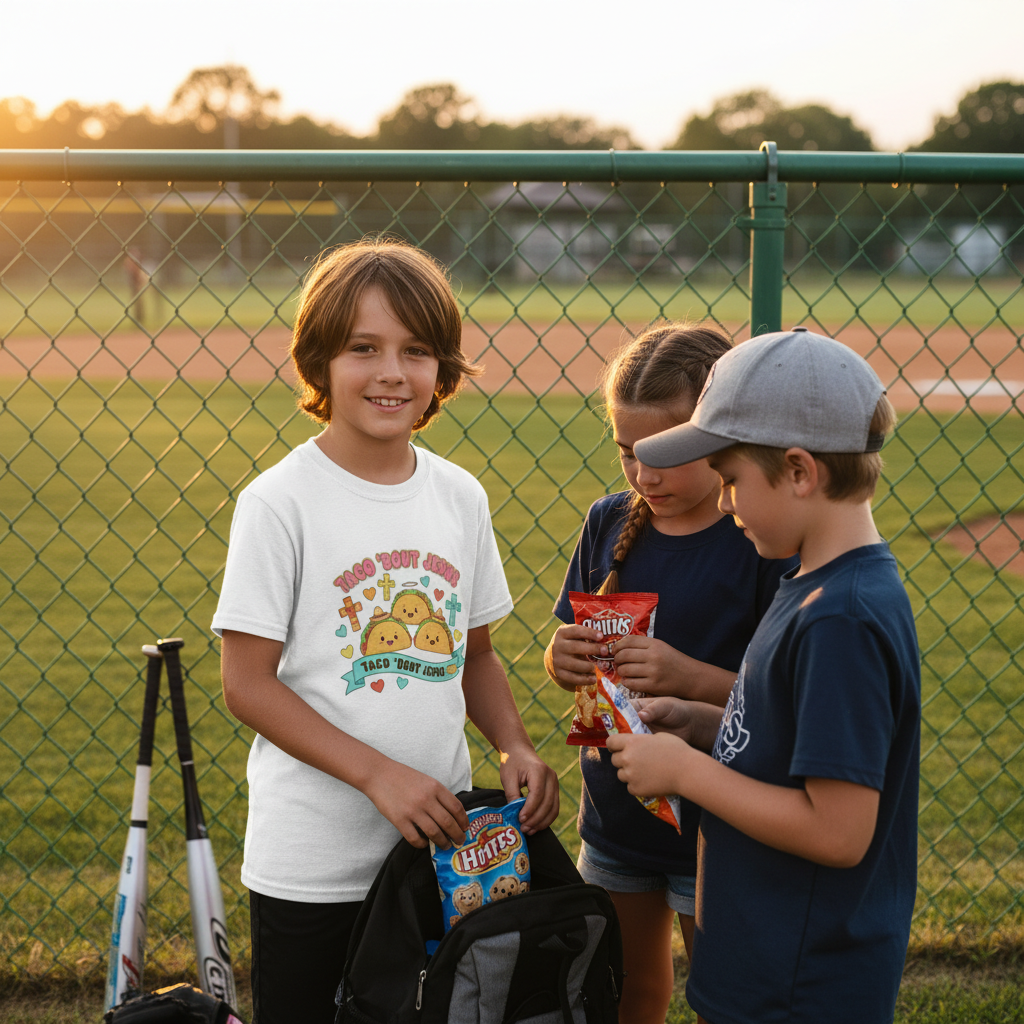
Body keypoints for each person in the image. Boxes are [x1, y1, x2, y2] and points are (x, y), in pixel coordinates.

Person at [212, 238, 559, 1024]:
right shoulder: (280, 503)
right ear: (319, 362)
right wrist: (377, 775)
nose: (392, 372)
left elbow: (474, 655)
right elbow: (247, 685)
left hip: (442, 856)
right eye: (363, 349)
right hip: (316, 862)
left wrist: (514, 746)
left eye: (417, 351)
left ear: (442, 370)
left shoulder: (459, 496)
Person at [608, 328, 921, 1024]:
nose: (723, 504)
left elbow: (838, 832)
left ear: (800, 470)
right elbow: (794, 746)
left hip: (802, 985)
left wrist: (687, 774)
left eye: (730, 481)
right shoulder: (815, 581)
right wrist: (702, 726)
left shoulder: (842, 618)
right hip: (767, 961)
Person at [543, 323, 797, 1024]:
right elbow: (576, 644)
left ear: (720, 437)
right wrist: (561, 657)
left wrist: (686, 675)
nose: (643, 475)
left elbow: (782, 697)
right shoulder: (609, 521)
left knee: (726, 994)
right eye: (628, 453)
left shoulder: (756, 536)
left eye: (662, 454)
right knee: (627, 992)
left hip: (718, 818)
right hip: (618, 815)